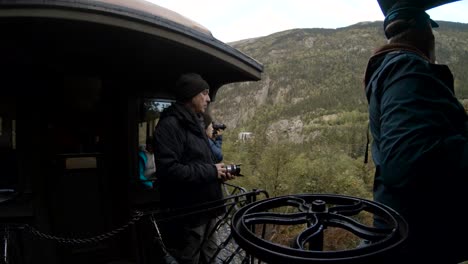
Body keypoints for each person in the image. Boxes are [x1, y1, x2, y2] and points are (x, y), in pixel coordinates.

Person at [364, 2, 468, 262]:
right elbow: (407, 159)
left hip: (404, 235)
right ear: (424, 32)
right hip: (418, 240)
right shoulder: (408, 67)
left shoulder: (390, 70)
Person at [153, 73, 235, 264]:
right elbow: (169, 171)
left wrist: (219, 175)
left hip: (207, 208)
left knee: (212, 256)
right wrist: (211, 171)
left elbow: (200, 162)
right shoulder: (169, 126)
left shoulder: (196, 122)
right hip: (188, 214)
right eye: (204, 93)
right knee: (189, 258)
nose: (208, 98)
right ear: (191, 95)